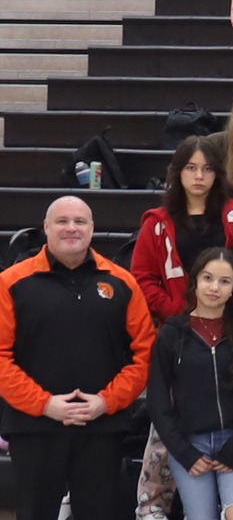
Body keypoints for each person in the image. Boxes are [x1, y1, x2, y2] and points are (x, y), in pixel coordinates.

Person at [1, 197, 157, 520]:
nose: (71, 228)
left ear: (92, 229)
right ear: (46, 228)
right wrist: (45, 404)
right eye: (62, 221)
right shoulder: (11, 282)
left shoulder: (122, 283)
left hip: (101, 427)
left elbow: (144, 353)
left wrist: (105, 402)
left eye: (80, 221)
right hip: (34, 428)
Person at [149, 249, 233, 520]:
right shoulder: (173, 333)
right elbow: (158, 401)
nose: (214, 287)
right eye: (208, 278)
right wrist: (183, 452)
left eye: (224, 281)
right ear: (195, 281)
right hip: (190, 444)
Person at [134, 138, 233, 320]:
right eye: (191, 168)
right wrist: (173, 310)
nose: (199, 176)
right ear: (178, 171)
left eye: (207, 169)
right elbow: (142, 277)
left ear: (217, 173)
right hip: (179, 324)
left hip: (231, 320)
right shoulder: (156, 222)